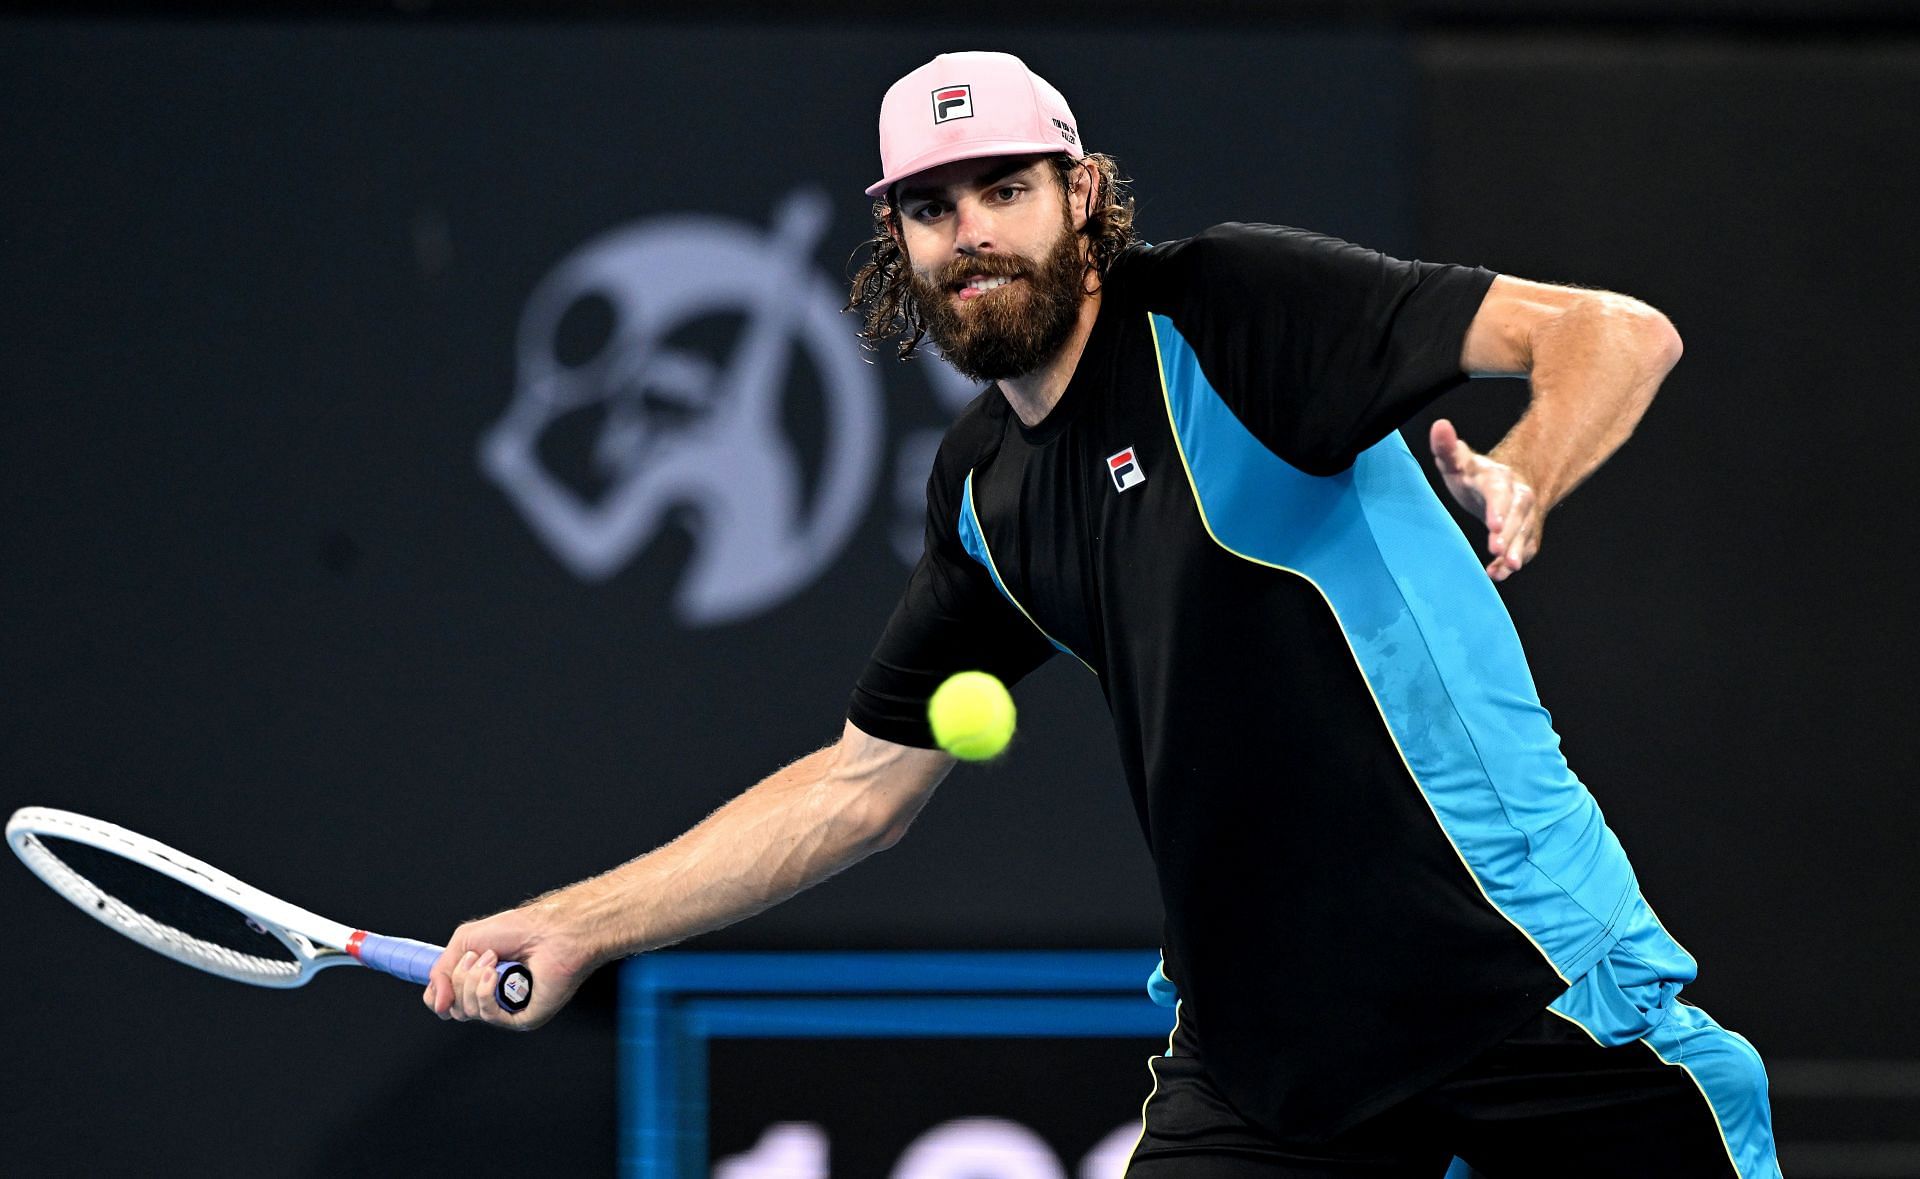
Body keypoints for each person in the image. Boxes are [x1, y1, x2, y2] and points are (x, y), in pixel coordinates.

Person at [426, 51, 1779, 1177]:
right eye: (932, 208)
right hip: (1268, 1067)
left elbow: (1615, 333)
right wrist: (581, 924)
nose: (973, 237)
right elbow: (856, 792)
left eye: (1004, 191)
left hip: (1526, 992)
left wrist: (1524, 474)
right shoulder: (984, 488)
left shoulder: (1232, 311)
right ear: (893, 240)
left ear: (1081, 196)